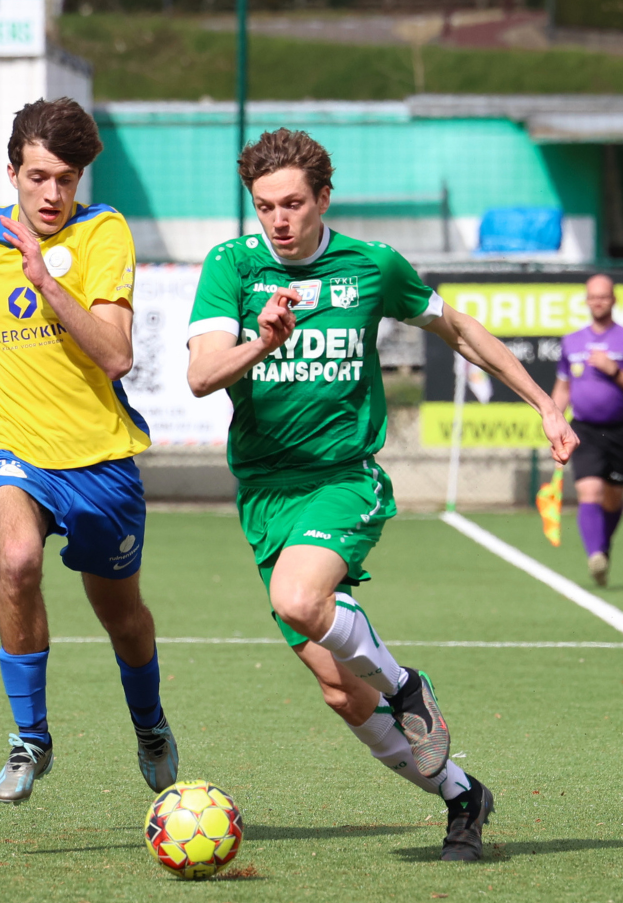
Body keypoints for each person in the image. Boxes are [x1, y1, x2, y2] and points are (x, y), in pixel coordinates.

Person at [185, 128, 576, 861]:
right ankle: (463, 794)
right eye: (265, 205)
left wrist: (543, 406)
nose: (279, 219)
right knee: (340, 693)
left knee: (302, 602)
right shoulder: (231, 266)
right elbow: (203, 376)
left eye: (294, 203)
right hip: (265, 493)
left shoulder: (370, 267)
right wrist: (262, 343)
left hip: (343, 478)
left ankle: (406, 686)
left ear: (323, 198)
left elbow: (457, 328)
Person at [0, 98, 177, 805]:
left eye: (67, 180)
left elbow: (114, 354)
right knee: (16, 560)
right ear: (12, 172)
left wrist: (47, 280)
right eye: (40, 177)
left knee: (124, 619)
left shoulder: (105, 233)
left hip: (100, 462)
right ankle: (31, 740)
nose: (52, 194)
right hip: (9, 447)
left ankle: (149, 725)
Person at [552, 274, 623, 586]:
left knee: (613, 498)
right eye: (593, 296)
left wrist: (613, 370)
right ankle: (595, 554)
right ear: (586, 300)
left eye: (604, 296)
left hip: (620, 431)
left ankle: (603, 548)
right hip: (586, 430)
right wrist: (555, 424)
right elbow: (563, 388)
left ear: (613, 300)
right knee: (589, 491)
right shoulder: (572, 341)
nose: (598, 301)